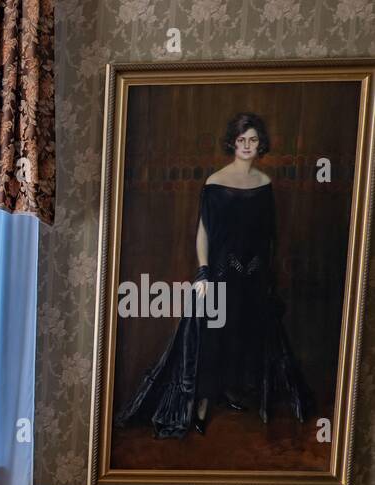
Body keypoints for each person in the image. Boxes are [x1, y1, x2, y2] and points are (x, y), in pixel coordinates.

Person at [116, 112, 309, 437]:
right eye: (242, 140)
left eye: (253, 140)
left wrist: (267, 274)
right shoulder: (215, 183)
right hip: (220, 275)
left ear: (260, 144)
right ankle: (202, 404)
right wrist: (203, 273)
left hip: (255, 276)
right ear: (232, 143)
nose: (248, 146)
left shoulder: (265, 185)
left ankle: (233, 390)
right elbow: (203, 233)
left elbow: (269, 236)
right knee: (212, 339)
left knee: (245, 336)